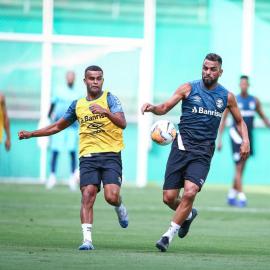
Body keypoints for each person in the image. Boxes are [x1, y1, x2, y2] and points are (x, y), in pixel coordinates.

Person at [142, 53, 250, 252]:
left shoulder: (227, 96)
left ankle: (167, 236)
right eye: (205, 68)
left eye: (212, 69)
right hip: (181, 147)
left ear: (220, 71)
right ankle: (188, 216)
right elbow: (165, 107)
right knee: (169, 197)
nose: (208, 72)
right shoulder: (189, 88)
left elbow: (240, 121)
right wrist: (153, 108)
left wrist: (245, 139)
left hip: (203, 152)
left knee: (190, 192)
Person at [18, 65, 129, 250]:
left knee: (111, 196)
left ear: (103, 80)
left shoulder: (110, 98)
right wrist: (32, 134)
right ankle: (87, 240)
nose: (95, 81)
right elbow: (57, 126)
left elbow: (123, 123)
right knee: (87, 195)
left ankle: (119, 207)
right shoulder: (77, 104)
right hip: (88, 156)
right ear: (84, 81)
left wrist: (106, 112)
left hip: (111, 155)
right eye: (91, 78)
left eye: (98, 78)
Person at [217, 75, 270, 207]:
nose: (243, 86)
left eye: (245, 84)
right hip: (236, 136)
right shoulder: (233, 100)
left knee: (242, 168)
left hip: (248, 137)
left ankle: (231, 194)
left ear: (248, 85)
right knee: (238, 167)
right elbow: (223, 120)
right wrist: (219, 140)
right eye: (241, 83)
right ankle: (241, 196)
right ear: (239, 85)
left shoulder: (254, 101)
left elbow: (263, 117)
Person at [47, 71, 81, 190]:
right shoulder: (59, 90)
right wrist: (49, 116)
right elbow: (52, 103)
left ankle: (72, 178)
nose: (70, 78)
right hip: (59, 126)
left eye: (72, 76)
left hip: (72, 127)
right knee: (55, 151)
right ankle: (52, 176)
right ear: (66, 78)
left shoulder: (78, 93)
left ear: (74, 78)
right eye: (69, 76)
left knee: (72, 151)